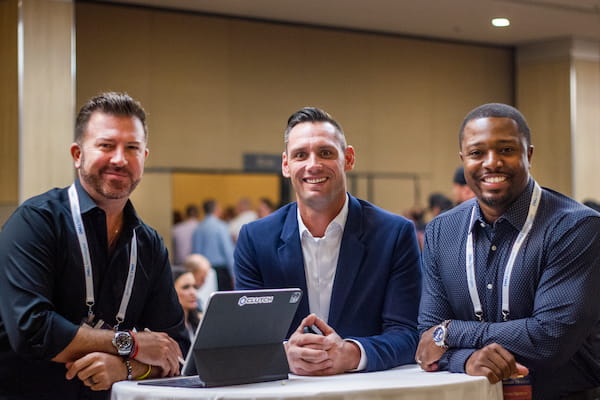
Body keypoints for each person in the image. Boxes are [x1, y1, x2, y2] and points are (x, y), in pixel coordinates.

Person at [0, 92, 189, 399]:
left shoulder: (149, 244)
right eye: (106, 145)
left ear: (144, 158)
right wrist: (132, 344)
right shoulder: (36, 223)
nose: (119, 158)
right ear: (77, 154)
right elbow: (32, 331)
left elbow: (176, 352)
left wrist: (125, 369)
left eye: (132, 148)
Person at [416, 103, 600, 400]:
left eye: (506, 150)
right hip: (472, 394)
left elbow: (549, 339)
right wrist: (467, 360)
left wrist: (451, 333)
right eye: (477, 153)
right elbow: (427, 339)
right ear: (464, 160)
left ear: (528, 154)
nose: (492, 163)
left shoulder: (576, 227)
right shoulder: (442, 231)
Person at [235, 107, 422, 375]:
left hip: (366, 392)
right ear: (286, 165)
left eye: (325, 153)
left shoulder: (394, 234)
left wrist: (351, 353)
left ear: (348, 159)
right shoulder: (255, 239)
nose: (313, 165)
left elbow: (408, 334)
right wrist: (284, 353)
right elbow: (247, 338)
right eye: (301, 155)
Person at [192, 199, 235, 291]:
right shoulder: (221, 227)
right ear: (216, 209)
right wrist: (233, 274)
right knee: (222, 300)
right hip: (221, 271)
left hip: (204, 271)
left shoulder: (199, 228)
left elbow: (196, 252)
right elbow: (228, 251)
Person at [173, 271, 202, 341]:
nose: (193, 292)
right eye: (186, 287)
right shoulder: (164, 330)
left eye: (195, 287)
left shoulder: (198, 324)